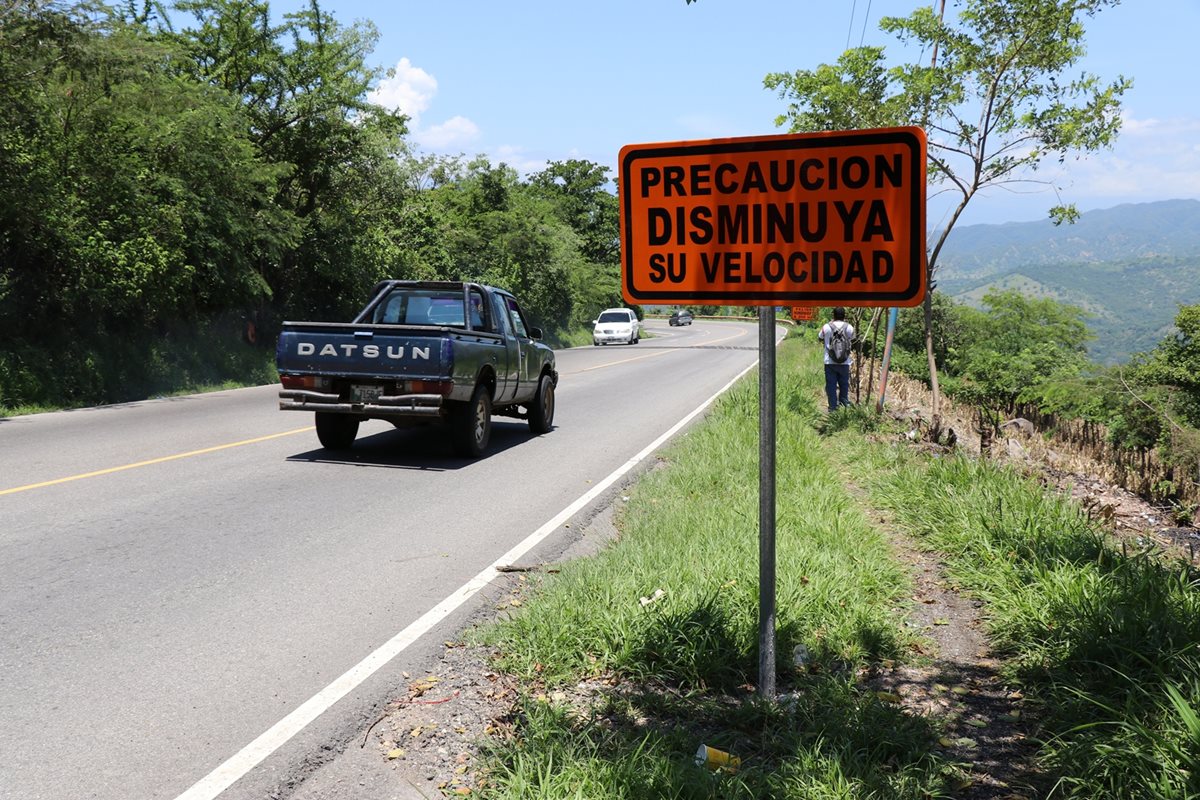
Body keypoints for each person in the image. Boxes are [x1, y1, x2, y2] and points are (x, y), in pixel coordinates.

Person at [818, 307, 854, 413]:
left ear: (833, 315)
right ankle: (843, 406)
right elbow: (853, 339)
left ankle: (833, 408)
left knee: (831, 385)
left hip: (829, 362)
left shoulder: (826, 327)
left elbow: (820, 337)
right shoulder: (849, 327)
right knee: (844, 384)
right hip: (845, 362)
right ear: (844, 316)